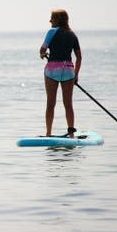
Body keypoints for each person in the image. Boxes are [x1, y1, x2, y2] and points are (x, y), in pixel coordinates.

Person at [39, 9, 82, 137]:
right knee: (68, 104)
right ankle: (71, 134)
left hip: (52, 70)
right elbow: (79, 57)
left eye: (52, 18)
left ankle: (48, 133)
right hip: (69, 71)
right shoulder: (73, 35)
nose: (50, 20)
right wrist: (76, 74)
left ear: (58, 20)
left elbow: (42, 49)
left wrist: (43, 54)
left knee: (50, 103)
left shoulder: (52, 31)